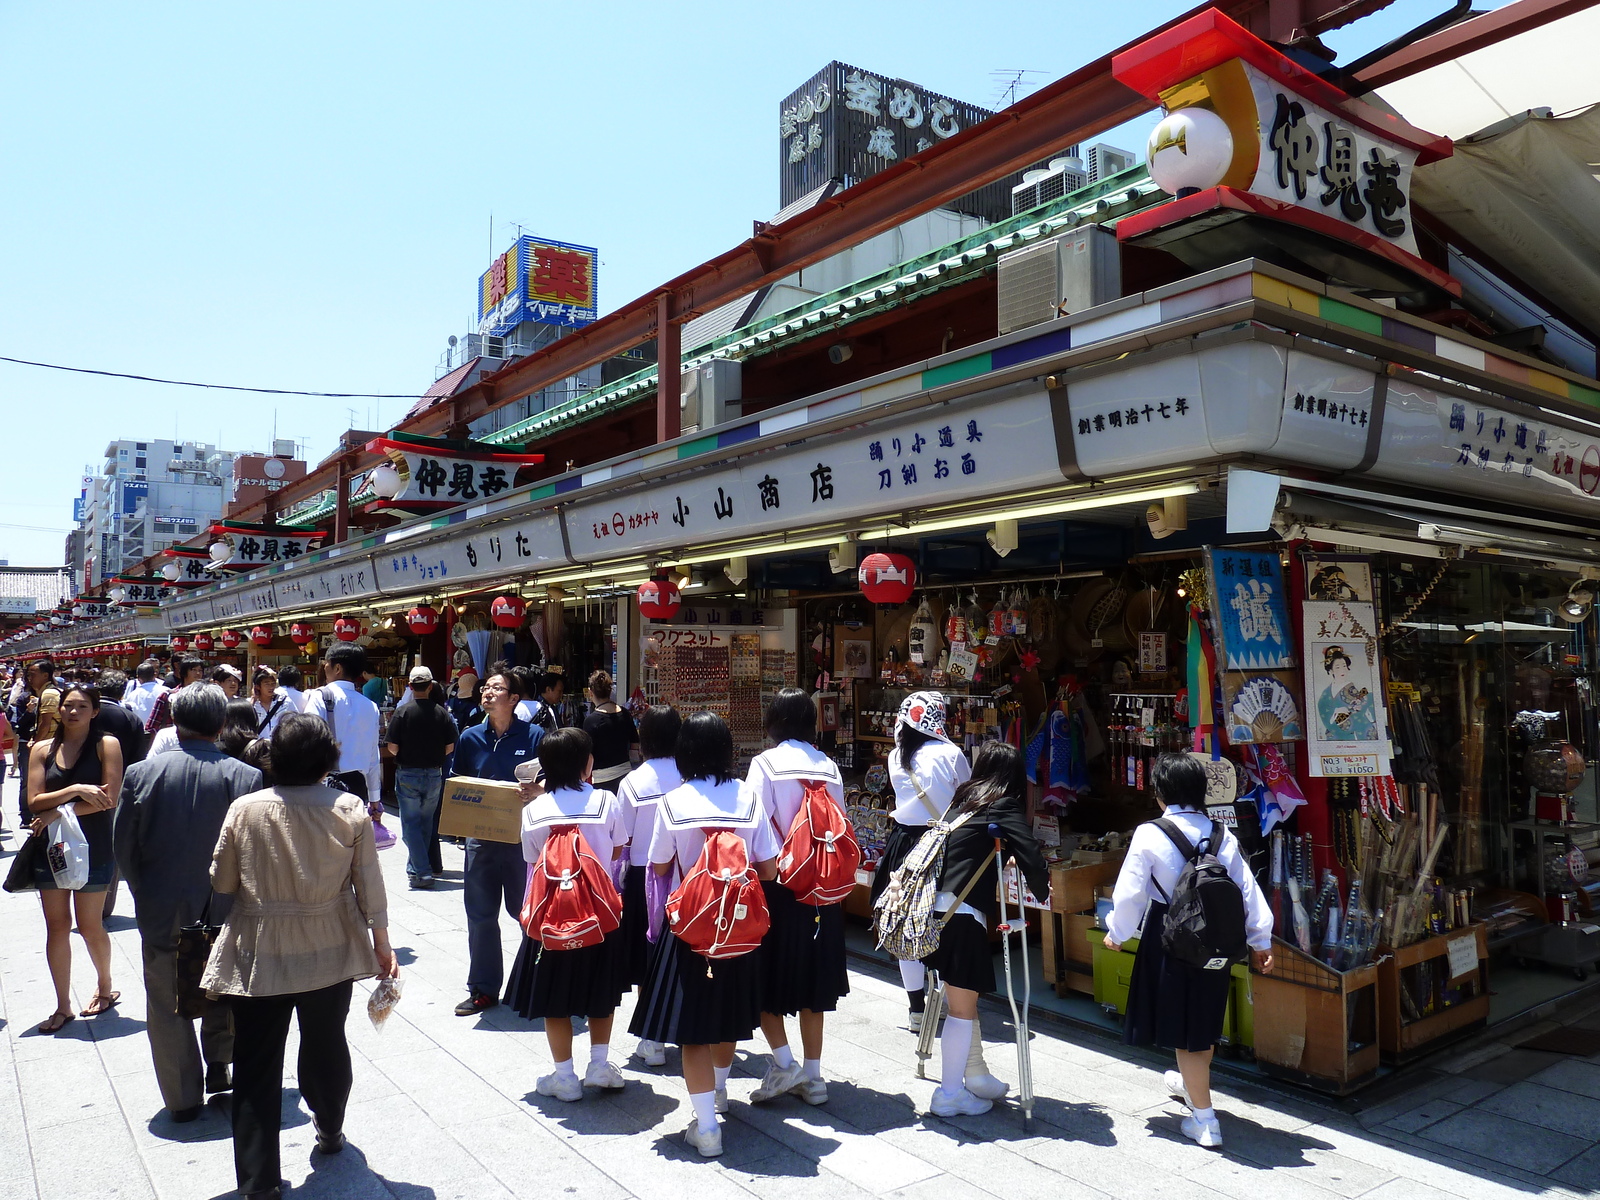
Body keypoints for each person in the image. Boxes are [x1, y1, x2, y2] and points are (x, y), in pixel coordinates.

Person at [202, 714, 398, 1200]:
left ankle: (258, 1180)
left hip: (259, 944)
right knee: (326, 1040)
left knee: (256, 1061)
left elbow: (222, 882)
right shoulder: (348, 808)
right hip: (329, 942)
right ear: (326, 758)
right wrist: (382, 939)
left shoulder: (245, 809)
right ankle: (329, 1127)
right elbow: (368, 883)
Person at [630, 712, 780, 1159]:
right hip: (738, 928)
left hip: (689, 929)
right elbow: (770, 867)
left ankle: (707, 1125)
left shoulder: (673, 802)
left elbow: (658, 866)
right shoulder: (749, 798)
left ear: (685, 752)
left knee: (692, 1028)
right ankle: (717, 1092)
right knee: (727, 1016)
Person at [1105, 753, 1274, 1149]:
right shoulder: (1221, 833)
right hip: (1214, 940)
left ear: (1161, 792)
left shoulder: (1149, 833)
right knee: (1201, 1020)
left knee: (1188, 1033)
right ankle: (1189, 1083)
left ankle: (1205, 1120)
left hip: (1170, 936)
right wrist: (1261, 940)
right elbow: (1247, 889)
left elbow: (1129, 894)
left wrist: (1117, 932)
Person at [114, 683, 261, 1122]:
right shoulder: (244, 776)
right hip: (226, 906)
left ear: (175, 723)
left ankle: (181, 1098)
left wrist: (145, 891)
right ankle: (220, 1063)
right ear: (221, 724)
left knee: (165, 1003)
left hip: (163, 905)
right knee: (227, 988)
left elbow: (124, 846)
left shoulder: (142, 773)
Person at [917, 742, 1048, 1116]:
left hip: (935, 914)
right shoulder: (1002, 804)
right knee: (961, 1010)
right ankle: (948, 1094)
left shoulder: (963, 800)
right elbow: (1031, 856)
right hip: (960, 917)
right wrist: (1042, 888)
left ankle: (973, 1076)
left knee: (962, 1003)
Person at [505, 727, 630, 1100]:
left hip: (552, 919)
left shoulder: (534, 810)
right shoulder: (606, 801)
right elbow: (618, 851)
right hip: (599, 914)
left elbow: (531, 861)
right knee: (600, 993)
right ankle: (599, 1064)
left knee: (553, 997)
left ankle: (564, 1076)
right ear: (587, 763)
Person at [744, 688, 849, 1107]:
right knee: (814, 982)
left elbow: (755, 827)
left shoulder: (765, 764)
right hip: (824, 887)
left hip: (779, 886)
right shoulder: (829, 766)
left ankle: (785, 1063)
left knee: (766, 978)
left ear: (774, 721)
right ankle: (815, 1075)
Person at [868, 691, 971, 1028]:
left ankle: (915, 1008)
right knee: (940, 920)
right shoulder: (951, 754)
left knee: (903, 921)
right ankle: (942, 999)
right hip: (942, 843)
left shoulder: (896, 756)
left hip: (903, 843)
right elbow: (966, 796)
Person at [26, 682, 125, 1033]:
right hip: (51, 847)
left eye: (81, 706)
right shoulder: (41, 749)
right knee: (56, 926)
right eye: (67, 705)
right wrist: (73, 792)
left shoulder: (106, 745)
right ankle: (62, 1005)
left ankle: (104, 984)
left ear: (94, 711)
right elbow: (34, 801)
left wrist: (58, 811)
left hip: (94, 844)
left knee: (88, 925)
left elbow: (108, 798)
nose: (72, 711)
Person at [451, 669, 543, 1015]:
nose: (487, 693)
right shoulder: (469, 737)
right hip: (481, 841)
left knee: (528, 915)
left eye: (496, 688)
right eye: (485, 688)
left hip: (523, 842)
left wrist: (539, 790)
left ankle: (533, 985)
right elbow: (456, 784)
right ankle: (483, 990)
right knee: (480, 916)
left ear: (514, 699)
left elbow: (553, 783)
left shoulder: (534, 736)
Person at [616, 704, 681, 1066]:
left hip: (644, 877)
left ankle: (651, 1039)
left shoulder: (634, 781)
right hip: (685, 876)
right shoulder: (690, 776)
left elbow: (622, 837)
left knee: (647, 955)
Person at [384, 666, 457, 889]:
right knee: (425, 823)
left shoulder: (403, 711)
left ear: (410, 686)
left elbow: (392, 747)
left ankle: (422, 871)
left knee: (410, 824)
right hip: (434, 773)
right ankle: (415, 868)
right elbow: (450, 746)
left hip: (408, 772)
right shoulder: (442, 712)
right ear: (430, 686)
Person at [305, 643, 383, 803]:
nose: (325, 667)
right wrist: (375, 797)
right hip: (358, 787)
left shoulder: (320, 697)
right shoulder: (370, 706)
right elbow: (373, 756)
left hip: (326, 784)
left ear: (337, 668)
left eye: (327, 663)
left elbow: (307, 742)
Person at [18, 658, 62, 825]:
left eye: (33, 674)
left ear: (45, 675)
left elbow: (45, 724)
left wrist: (36, 744)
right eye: (28, 675)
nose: (30, 678)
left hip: (49, 745)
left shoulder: (49, 693)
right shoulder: (44, 693)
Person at [581, 670, 639, 788]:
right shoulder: (625, 713)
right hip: (626, 776)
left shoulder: (591, 721)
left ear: (591, 693)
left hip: (602, 780)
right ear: (610, 690)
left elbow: (588, 755)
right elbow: (635, 745)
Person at [147, 658, 204, 736]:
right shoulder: (167, 696)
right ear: (184, 672)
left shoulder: (205, 697)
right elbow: (152, 726)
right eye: (193, 670)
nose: (198, 673)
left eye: (200, 670)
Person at [124, 660, 168, 729]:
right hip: (163, 732)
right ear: (154, 675)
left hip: (142, 732)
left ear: (138, 678)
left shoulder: (133, 695)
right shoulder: (166, 691)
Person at [251, 667, 289, 738]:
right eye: (267, 684)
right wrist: (253, 699)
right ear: (258, 686)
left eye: (273, 684)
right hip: (259, 746)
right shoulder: (252, 704)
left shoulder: (284, 702)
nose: (271, 687)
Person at [525, 668, 565, 735]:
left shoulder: (551, 707)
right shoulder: (538, 709)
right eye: (559, 691)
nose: (561, 695)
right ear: (548, 689)